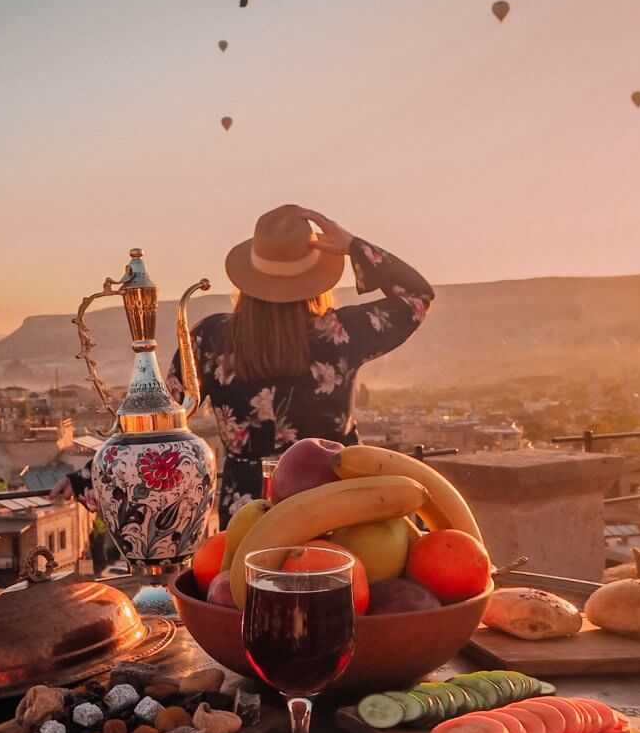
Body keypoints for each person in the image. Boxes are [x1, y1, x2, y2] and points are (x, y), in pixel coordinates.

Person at [51, 204, 434, 526]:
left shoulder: (211, 340)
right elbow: (417, 295)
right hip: (335, 498)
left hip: (251, 510)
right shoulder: (340, 334)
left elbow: (159, 422)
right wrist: (351, 245)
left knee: (254, 604)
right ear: (316, 278)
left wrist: (87, 479)